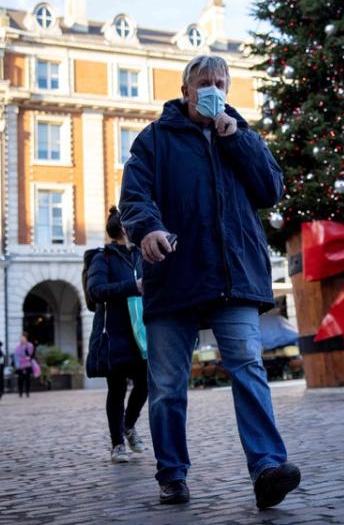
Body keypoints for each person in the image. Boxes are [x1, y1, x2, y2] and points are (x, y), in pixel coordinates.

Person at [119, 54, 300, 508]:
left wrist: (237, 140)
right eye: (204, 81)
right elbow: (134, 197)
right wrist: (149, 229)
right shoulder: (154, 140)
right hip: (174, 272)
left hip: (233, 273)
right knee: (166, 385)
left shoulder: (241, 135)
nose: (212, 87)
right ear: (186, 90)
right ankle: (172, 474)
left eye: (220, 81)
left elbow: (270, 189)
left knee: (249, 366)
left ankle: (267, 468)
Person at [87, 207, 150, 464]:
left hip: (140, 333)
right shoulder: (103, 258)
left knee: (146, 382)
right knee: (116, 389)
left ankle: (128, 424)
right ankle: (117, 444)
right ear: (123, 229)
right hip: (114, 334)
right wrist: (132, 287)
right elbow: (95, 291)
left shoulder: (140, 254)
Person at [13, 332, 35, 398]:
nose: (22, 340)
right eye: (21, 338)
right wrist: (16, 365)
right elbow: (16, 356)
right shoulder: (17, 347)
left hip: (27, 364)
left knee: (27, 379)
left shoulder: (29, 345)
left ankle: (27, 392)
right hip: (20, 365)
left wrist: (25, 348)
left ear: (26, 339)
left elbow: (31, 354)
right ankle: (20, 392)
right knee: (20, 379)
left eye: (23, 338)